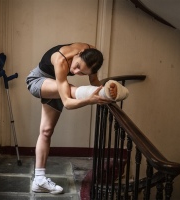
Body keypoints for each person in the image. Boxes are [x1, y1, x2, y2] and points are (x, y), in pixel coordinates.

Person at [26, 42, 128, 194]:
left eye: (82, 72)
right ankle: (40, 180)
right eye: (77, 66)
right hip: (38, 81)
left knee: (46, 131)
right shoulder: (61, 60)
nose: (75, 70)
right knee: (71, 88)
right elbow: (67, 102)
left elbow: (94, 82)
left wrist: (105, 93)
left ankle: (39, 181)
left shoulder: (92, 55)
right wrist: (90, 100)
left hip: (57, 85)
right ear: (79, 54)